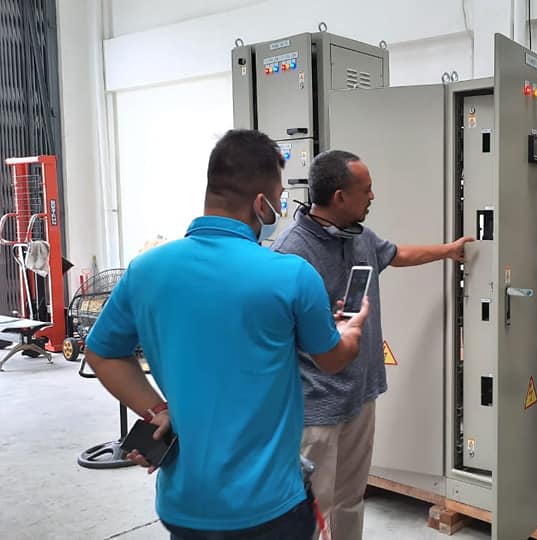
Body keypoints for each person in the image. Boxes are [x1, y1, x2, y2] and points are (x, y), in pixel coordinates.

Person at [84, 130, 370, 540]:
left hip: (185, 504)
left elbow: (102, 353)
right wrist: (352, 330)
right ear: (261, 203)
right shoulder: (290, 275)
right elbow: (332, 358)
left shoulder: (145, 270)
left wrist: (156, 409)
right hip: (270, 506)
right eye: (279, 200)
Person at [272, 150, 473, 539]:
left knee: (350, 499)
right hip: (315, 408)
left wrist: (448, 251)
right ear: (339, 197)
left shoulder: (360, 236)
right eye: (366, 190)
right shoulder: (290, 253)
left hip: (360, 395)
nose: (372, 197)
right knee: (313, 508)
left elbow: (396, 254)